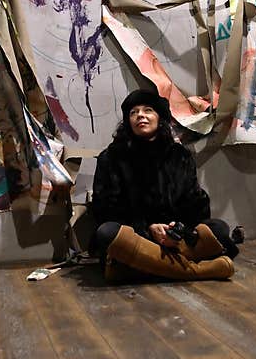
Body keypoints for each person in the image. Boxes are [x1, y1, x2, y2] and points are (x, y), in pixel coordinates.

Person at [90, 89, 239, 281]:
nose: (140, 115)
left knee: (219, 229)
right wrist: (147, 228)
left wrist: (178, 229)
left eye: (148, 110)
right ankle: (199, 270)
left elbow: (196, 204)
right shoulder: (111, 157)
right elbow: (104, 208)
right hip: (138, 237)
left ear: (160, 118)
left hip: (175, 240)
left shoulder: (180, 156)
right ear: (128, 121)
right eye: (133, 112)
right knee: (106, 233)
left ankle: (138, 269)